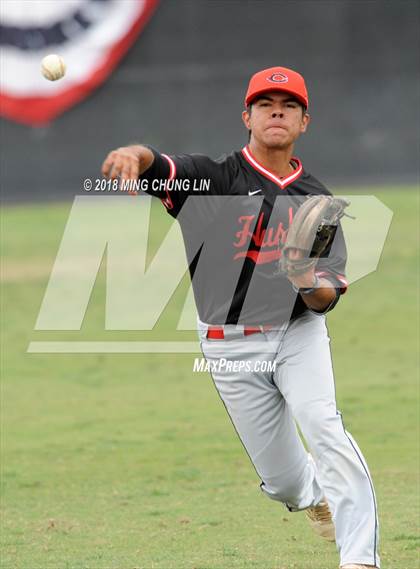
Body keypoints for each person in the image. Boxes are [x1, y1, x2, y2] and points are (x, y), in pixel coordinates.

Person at [101, 66, 380, 569]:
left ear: (304, 122)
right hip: (229, 343)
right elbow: (154, 163)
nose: (278, 111)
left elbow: (326, 297)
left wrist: (302, 279)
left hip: (298, 334)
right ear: (246, 116)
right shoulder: (214, 177)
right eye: (266, 103)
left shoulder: (317, 199)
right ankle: (309, 494)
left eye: (289, 104)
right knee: (284, 482)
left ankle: (360, 559)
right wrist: (131, 155)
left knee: (324, 425)